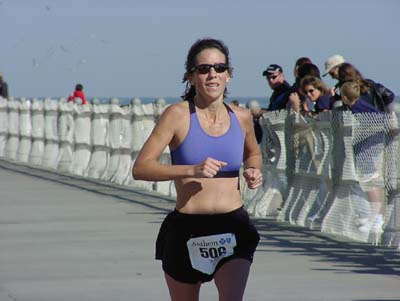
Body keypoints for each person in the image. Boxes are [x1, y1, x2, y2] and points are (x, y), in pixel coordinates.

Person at [132, 38, 263, 301]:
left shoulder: (242, 117)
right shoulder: (177, 115)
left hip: (232, 224)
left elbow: (253, 152)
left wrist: (252, 170)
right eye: (203, 69)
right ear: (191, 77)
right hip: (188, 228)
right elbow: (141, 168)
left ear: (229, 74)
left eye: (219, 67)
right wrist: (191, 170)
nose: (212, 74)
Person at [340, 81, 385, 234]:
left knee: (370, 182)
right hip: (370, 148)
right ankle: (372, 216)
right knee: (368, 181)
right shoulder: (361, 106)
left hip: (368, 149)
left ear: (345, 98)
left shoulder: (358, 110)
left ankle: (376, 217)